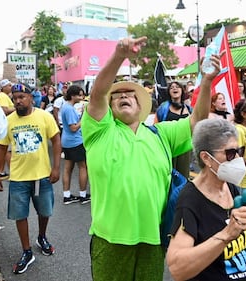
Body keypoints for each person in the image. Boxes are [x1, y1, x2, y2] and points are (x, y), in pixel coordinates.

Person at [82, 36, 222, 280]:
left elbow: (196, 121)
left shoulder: (161, 133)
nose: (123, 96)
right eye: (117, 95)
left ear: (141, 105)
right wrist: (119, 55)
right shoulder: (100, 131)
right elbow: (97, 94)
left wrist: (207, 82)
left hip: (154, 238)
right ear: (109, 106)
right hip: (110, 240)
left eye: (130, 94)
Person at [166, 118, 246, 281]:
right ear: (206, 157)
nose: (238, 159)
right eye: (230, 153)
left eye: (239, 152)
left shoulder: (228, 185)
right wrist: (226, 235)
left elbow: (238, 233)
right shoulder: (190, 200)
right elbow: (177, 268)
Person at [0, 83, 62, 274]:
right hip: (18, 178)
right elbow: (1, 148)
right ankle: (26, 251)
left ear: (31, 97)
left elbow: (56, 140)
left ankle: (42, 236)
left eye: (22, 97)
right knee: (20, 215)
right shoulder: (9, 121)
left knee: (44, 211)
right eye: (15, 98)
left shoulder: (44, 116)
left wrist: (56, 167)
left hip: (42, 177)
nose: (18, 101)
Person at [155, 81, 193, 178]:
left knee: (183, 175)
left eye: (177, 87)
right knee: (168, 173)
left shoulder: (188, 109)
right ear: (169, 92)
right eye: (171, 87)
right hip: (168, 144)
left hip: (185, 147)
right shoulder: (163, 108)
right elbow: (156, 125)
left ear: (182, 91)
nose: (174, 89)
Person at [60, 85, 90, 204]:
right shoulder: (70, 109)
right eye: (79, 95)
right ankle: (83, 195)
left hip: (67, 141)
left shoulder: (66, 107)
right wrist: (84, 117)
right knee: (83, 167)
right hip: (76, 141)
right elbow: (74, 128)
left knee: (68, 169)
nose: (81, 97)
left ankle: (67, 195)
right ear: (73, 96)